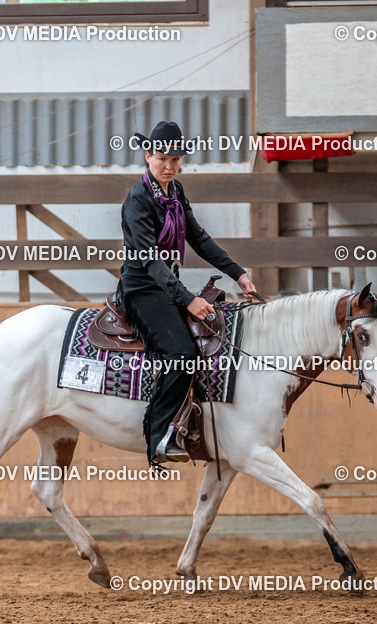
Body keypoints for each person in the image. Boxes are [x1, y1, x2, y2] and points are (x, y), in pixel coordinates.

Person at [117, 121, 257, 467]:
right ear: (148, 156)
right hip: (142, 288)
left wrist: (237, 272)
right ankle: (160, 436)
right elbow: (149, 260)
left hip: (167, 286)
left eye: (176, 159)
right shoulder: (138, 200)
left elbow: (198, 237)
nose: (169, 165)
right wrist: (188, 299)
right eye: (162, 158)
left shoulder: (175, 193)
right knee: (181, 352)